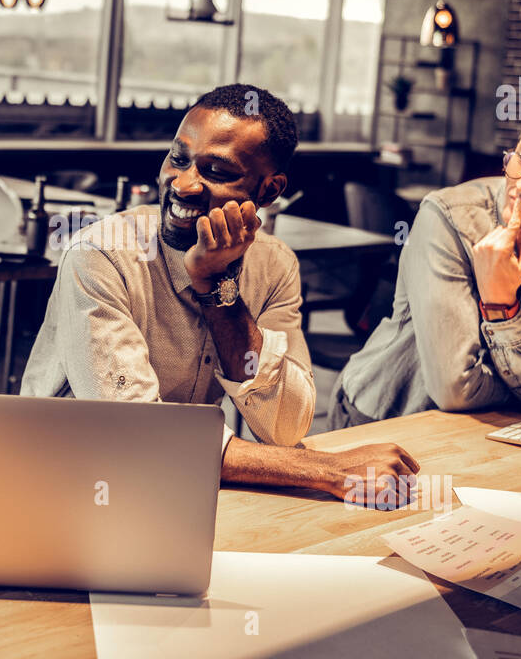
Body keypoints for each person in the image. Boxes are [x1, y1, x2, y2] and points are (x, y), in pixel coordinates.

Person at [21, 83, 419, 502]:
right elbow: (134, 430)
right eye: (179, 159)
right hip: (61, 485)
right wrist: (325, 469)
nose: (185, 185)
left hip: (173, 484)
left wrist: (216, 285)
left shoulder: (275, 265)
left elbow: (284, 426)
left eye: (217, 172)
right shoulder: (101, 255)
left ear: (269, 191)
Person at [330, 94, 521, 428]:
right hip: (384, 418)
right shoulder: (448, 218)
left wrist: (501, 305)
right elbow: (455, 390)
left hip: (488, 431)